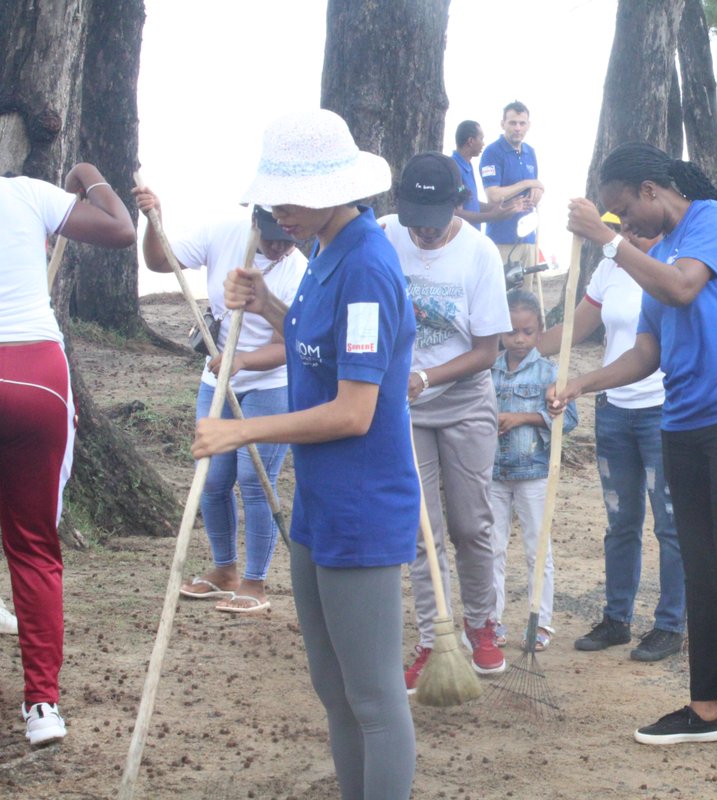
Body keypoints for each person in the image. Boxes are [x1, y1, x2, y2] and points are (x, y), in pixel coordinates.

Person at [195, 109, 418, 798]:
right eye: (273, 194)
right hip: (319, 506)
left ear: (333, 186)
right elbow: (311, 344)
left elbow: (355, 411)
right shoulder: (323, 254)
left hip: (362, 506)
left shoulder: (368, 267)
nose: (275, 210)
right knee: (333, 687)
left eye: (288, 194)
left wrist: (243, 431)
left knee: (375, 698)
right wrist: (265, 302)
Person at [558, 142, 717, 758]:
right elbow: (649, 351)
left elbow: (683, 290)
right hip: (685, 421)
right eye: (613, 218)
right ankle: (706, 706)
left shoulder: (712, 221)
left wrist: (606, 240)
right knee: (700, 563)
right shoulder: (657, 255)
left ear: (649, 190)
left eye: (624, 211)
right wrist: (582, 383)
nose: (624, 224)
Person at [1, 164, 136, 746]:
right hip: (34, 374)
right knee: (33, 548)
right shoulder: (27, 193)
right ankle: (42, 708)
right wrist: (87, 173)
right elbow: (120, 228)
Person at [376, 153, 511, 689]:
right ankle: (435, 638)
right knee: (421, 530)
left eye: (433, 217)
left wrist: (428, 379)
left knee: (469, 525)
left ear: (456, 204)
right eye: (415, 217)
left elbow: (486, 351)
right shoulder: (384, 235)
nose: (423, 231)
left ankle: (482, 626)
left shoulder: (479, 254)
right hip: (404, 408)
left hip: (464, 400)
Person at [135, 192, 305, 614]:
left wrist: (241, 361)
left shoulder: (299, 268)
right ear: (254, 222)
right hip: (217, 379)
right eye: (271, 237)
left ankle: (255, 580)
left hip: (271, 384)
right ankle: (224, 570)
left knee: (254, 478)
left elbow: (291, 345)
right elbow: (161, 263)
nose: (280, 246)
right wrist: (153, 219)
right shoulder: (221, 233)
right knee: (211, 478)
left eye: (287, 239)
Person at [539, 212, 687, 663]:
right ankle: (616, 618)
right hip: (614, 411)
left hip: (662, 410)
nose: (630, 237)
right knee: (621, 521)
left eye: (639, 229)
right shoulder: (609, 269)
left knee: (669, 524)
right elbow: (575, 330)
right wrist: (516, 341)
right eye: (624, 230)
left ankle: (668, 625)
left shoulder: (673, 267)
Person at [488, 289, 577, 650]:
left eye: (527, 331)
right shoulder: (487, 370)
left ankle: (539, 623)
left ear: (539, 330)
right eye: (511, 332)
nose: (519, 339)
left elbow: (568, 418)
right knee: (490, 548)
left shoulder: (549, 372)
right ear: (499, 332)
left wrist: (522, 417)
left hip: (534, 472)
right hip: (491, 472)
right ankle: (489, 622)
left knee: (537, 548)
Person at [480, 101, 542, 272]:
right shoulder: (492, 152)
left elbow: (535, 187)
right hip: (502, 238)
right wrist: (528, 183)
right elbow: (493, 195)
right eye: (513, 123)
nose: (517, 128)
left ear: (528, 125)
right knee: (503, 295)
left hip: (528, 238)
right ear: (503, 124)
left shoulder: (530, 152)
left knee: (526, 297)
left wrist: (537, 190)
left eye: (522, 123)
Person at [451, 120, 517, 231]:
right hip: (461, 237)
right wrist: (492, 216)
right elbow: (457, 213)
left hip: (472, 236)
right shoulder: (453, 167)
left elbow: (471, 203)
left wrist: (503, 208)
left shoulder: (467, 164)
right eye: (481, 139)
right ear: (471, 141)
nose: (483, 143)